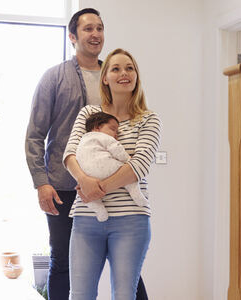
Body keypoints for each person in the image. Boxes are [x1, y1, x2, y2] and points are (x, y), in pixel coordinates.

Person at [25, 8, 147, 299]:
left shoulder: (115, 75)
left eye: (100, 28)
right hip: (64, 187)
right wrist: (41, 182)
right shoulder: (53, 78)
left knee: (128, 272)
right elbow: (34, 135)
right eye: (88, 29)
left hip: (115, 186)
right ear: (72, 36)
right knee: (64, 264)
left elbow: (135, 119)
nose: (95, 35)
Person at [63, 48, 161, 300]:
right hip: (86, 219)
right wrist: (84, 181)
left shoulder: (148, 120)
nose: (123, 73)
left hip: (131, 221)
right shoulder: (88, 114)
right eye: (115, 68)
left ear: (136, 76)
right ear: (105, 77)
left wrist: (97, 188)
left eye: (129, 68)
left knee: (124, 295)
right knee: (80, 295)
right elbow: (70, 154)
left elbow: (138, 166)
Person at [75, 112, 148, 222]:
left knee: (86, 196)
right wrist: (128, 159)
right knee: (128, 172)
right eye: (113, 129)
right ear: (97, 127)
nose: (116, 134)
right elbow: (117, 149)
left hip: (88, 175)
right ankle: (135, 193)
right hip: (108, 168)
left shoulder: (81, 141)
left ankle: (99, 210)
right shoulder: (104, 137)